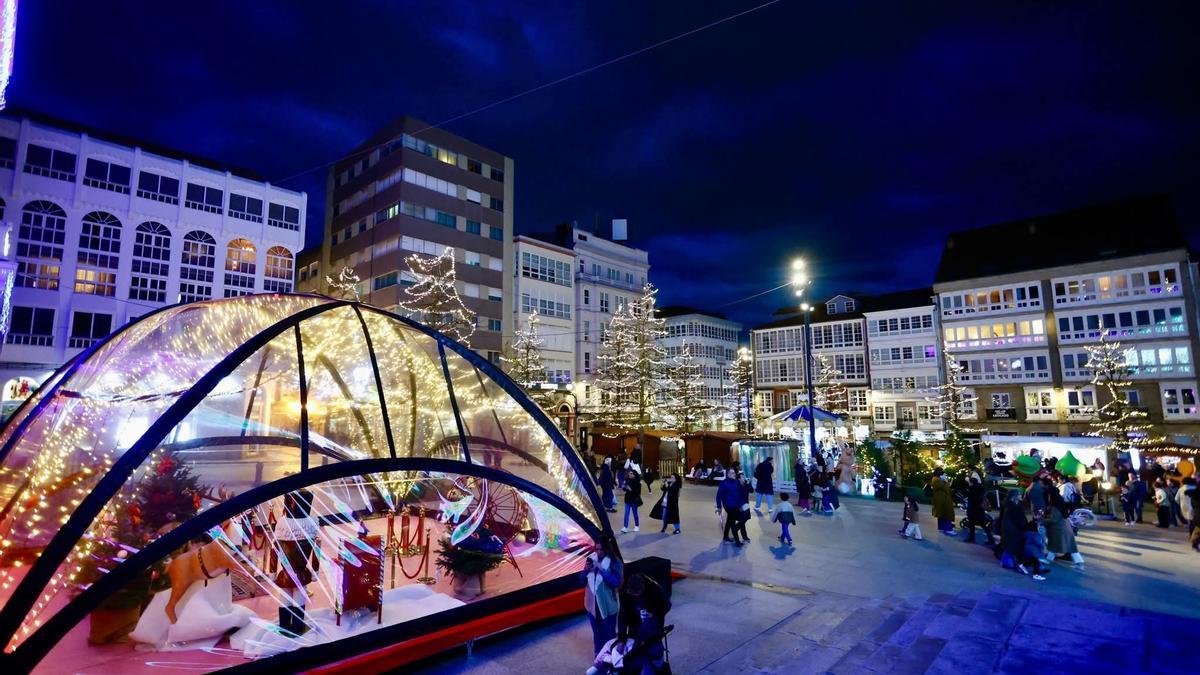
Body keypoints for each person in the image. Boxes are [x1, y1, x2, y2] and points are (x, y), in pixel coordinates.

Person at [616, 573, 671, 675]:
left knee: (656, 657)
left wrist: (654, 613)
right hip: (635, 630)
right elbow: (622, 616)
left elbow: (667, 605)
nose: (636, 596)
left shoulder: (654, 588)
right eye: (633, 594)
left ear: (643, 588)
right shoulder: (626, 592)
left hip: (653, 631)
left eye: (638, 593)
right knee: (636, 659)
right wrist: (621, 639)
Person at [582, 535, 623, 655]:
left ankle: (611, 657)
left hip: (608, 606)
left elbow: (617, 583)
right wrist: (585, 570)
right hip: (591, 605)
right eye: (597, 549)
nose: (599, 552)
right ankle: (598, 656)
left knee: (609, 633)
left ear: (607, 549)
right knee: (597, 633)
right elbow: (581, 581)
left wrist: (602, 571)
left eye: (601, 549)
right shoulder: (591, 559)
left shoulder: (615, 562)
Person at [1045, 490, 1084, 568]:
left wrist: (1042, 519)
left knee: (1054, 546)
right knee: (1070, 547)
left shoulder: (1055, 508)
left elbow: (1054, 519)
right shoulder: (1061, 506)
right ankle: (1079, 563)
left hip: (1059, 530)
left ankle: (1049, 559)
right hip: (1065, 528)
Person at [963, 476, 995, 545]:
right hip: (980, 510)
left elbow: (973, 500)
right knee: (983, 525)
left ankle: (971, 538)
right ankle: (991, 539)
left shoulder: (972, 490)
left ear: (971, 483)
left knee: (971, 525)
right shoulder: (981, 489)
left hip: (973, 510)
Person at [999, 489, 1027, 569]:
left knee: (1008, 546)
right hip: (1014, 530)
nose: (1020, 496)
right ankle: (1011, 562)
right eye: (1019, 495)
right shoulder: (1015, 507)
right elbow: (1021, 521)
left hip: (1007, 529)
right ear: (1015, 496)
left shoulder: (1007, 505)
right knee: (1013, 546)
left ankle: (1008, 561)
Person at [716, 470, 744, 545]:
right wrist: (719, 507)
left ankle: (725, 536)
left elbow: (739, 494)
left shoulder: (736, 482)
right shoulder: (723, 483)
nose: (734, 474)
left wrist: (740, 504)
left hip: (736, 505)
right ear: (727, 474)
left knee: (730, 520)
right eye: (732, 473)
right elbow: (718, 496)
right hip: (728, 506)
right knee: (732, 522)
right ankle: (737, 541)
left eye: (734, 473)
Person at [930, 468, 956, 535]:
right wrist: (946, 481)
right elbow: (946, 488)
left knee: (941, 514)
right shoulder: (937, 480)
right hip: (943, 500)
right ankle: (948, 529)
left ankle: (942, 527)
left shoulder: (935, 479)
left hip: (940, 499)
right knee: (947, 513)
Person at [736, 469, 754, 542]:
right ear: (739, 479)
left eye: (744, 477)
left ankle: (743, 535)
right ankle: (737, 529)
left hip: (746, 505)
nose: (744, 478)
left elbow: (752, 491)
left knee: (744, 520)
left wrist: (749, 483)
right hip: (740, 506)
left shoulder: (745, 484)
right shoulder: (737, 486)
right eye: (742, 477)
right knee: (742, 520)